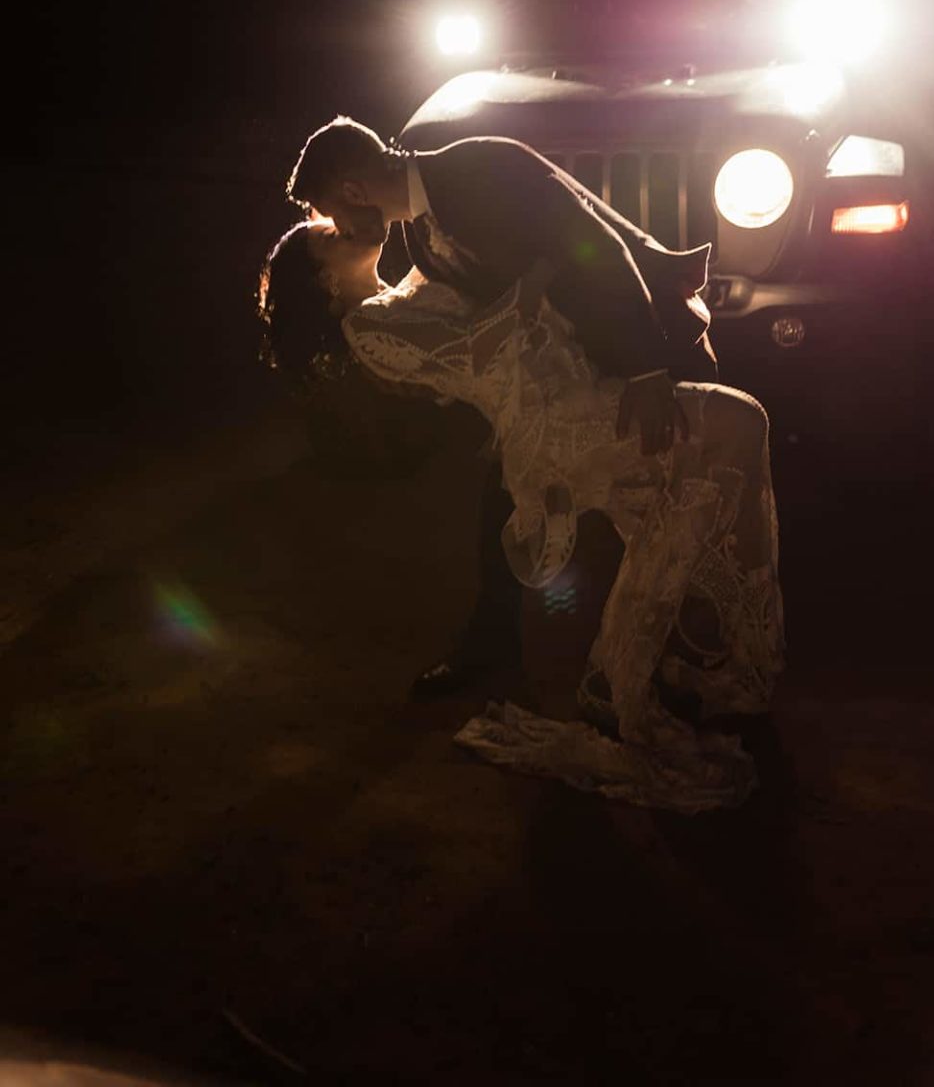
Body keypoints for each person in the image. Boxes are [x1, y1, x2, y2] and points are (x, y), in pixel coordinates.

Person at [260, 220, 783, 812]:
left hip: (573, 395)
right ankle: (632, 682)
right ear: (326, 283)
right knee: (739, 424)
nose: (345, 227)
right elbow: (478, 349)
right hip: (557, 430)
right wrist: (536, 276)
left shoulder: (399, 293)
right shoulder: (366, 329)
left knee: (689, 493)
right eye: (328, 237)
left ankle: (644, 672)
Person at [286, 116, 719, 694]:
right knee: (513, 505)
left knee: (677, 506)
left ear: (354, 193)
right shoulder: (418, 236)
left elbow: (600, 246)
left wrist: (647, 370)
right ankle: (501, 651)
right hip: (575, 375)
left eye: (331, 211)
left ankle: (682, 657)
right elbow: (486, 331)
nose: (336, 223)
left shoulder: (480, 163)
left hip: (646, 346)